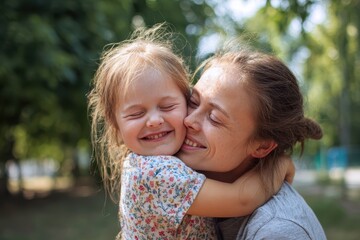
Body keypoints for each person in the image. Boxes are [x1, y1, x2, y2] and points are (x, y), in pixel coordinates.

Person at [88, 24, 293, 240]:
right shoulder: (155, 174)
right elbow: (241, 199)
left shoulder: (161, 163)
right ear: (116, 128)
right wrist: (281, 165)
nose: (155, 121)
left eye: (167, 107)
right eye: (136, 114)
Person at [177, 44, 327, 239]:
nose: (189, 121)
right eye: (193, 102)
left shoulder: (277, 231)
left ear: (262, 146)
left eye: (214, 118)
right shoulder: (181, 180)